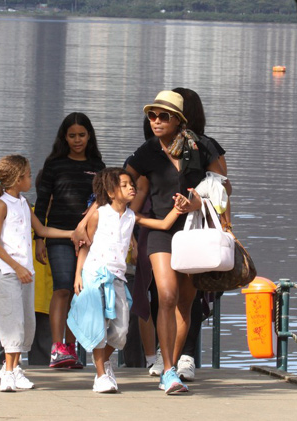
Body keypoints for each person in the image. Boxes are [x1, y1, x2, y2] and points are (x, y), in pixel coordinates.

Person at [126, 90, 229, 394]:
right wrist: (113, 216)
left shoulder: (202, 147)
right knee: (166, 295)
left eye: (163, 116)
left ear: (179, 121)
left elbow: (224, 187)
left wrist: (200, 202)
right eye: (152, 115)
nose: (155, 121)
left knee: (185, 302)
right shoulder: (146, 152)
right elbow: (120, 183)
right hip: (160, 231)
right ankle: (168, 369)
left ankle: (171, 365)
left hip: (195, 231)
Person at [67, 168, 193, 393]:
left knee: (120, 330)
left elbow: (163, 225)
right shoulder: (99, 214)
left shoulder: (132, 217)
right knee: (98, 327)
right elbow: (85, 245)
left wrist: (178, 209)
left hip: (117, 277)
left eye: (131, 184)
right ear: (111, 192)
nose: (131, 187)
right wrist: (78, 275)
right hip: (94, 275)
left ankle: (104, 364)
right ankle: (101, 376)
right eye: (124, 185)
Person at [0, 155, 74, 392]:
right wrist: (16, 266)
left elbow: (41, 229)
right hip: (10, 273)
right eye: (29, 175)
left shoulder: (23, 202)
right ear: (18, 178)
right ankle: (8, 372)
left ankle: (15, 367)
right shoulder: (2, 204)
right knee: (13, 322)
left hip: (25, 273)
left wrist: (72, 233)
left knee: (26, 324)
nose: (31, 178)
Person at [34, 112, 105, 369]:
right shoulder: (54, 164)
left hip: (87, 238)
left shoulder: (97, 165)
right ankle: (57, 347)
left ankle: (72, 347)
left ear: (89, 136)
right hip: (57, 235)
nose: (77, 140)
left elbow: (103, 201)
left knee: (80, 291)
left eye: (82, 135)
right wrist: (39, 238)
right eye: (72, 135)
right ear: (64, 137)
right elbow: (42, 203)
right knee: (63, 287)